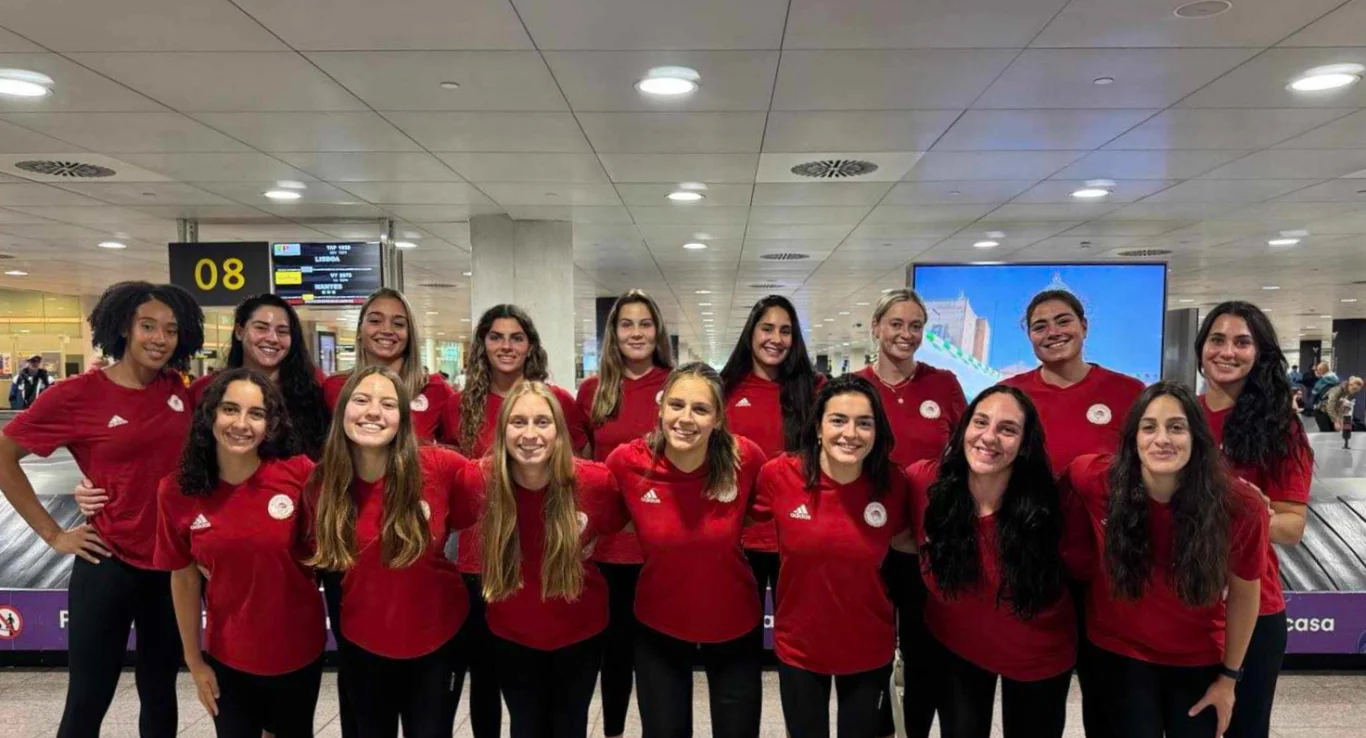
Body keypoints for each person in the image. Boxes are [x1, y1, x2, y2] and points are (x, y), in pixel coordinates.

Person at [0, 281, 204, 738]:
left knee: (160, 691)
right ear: (123, 328)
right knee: (88, 697)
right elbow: (4, 455)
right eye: (147, 326)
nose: (160, 338)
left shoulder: (178, 389)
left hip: (171, 566)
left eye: (171, 330)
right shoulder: (77, 394)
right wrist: (54, 534)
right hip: (107, 562)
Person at [1063, 382, 1266, 738]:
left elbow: (1245, 594)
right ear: (1133, 439)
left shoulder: (1239, 506)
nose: (1161, 439)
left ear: (1197, 437)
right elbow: (1062, 480)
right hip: (1119, 652)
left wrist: (1229, 678)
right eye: (1148, 427)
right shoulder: (1098, 481)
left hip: (1197, 655)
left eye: (1176, 427)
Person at [999, 288, 1143, 738]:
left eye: (1063, 321)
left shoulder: (1128, 393)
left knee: (1111, 706)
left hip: (1110, 572)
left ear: (1084, 326)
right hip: (1035, 571)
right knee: (1033, 709)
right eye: (1039, 326)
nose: (1053, 332)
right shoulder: (1011, 396)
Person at [440, 303, 588, 738]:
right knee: (484, 674)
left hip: (537, 557)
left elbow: (579, 469)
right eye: (496, 337)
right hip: (477, 559)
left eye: (516, 337)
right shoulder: (459, 405)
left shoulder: (557, 402)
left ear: (530, 346)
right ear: (482, 345)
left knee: (532, 684)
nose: (506, 346)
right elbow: (450, 478)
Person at [905, 385, 1086, 738]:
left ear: (1025, 443)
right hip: (956, 647)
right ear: (963, 428)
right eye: (980, 422)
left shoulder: (1055, 505)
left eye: (1007, 429)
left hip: (1037, 657)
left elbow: (1085, 571)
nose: (989, 437)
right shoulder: (925, 483)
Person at [306, 366, 475, 738]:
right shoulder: (322, 484)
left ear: (403, 417)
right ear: (342, 410)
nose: (373, 412)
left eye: (387, 404)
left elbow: (500, 487)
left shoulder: (440, 468)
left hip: (437, 640)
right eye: (361, 400)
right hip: (363, 642)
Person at [155, 369, 325, 738]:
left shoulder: (300, 475)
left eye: (256, 414)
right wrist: (194, 660)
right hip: (229, 654)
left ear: (270, 424)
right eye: (230, 409)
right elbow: (183, 578)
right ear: (210, 414)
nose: (241, 424)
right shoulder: (177, 491)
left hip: (298, 649)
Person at [605, 362, 767, 738]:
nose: (685, 418)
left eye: (701, 409)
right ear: (661, 408)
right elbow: (608, 517)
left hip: (734, 620)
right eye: (676, 405)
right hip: (658, 623)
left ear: (718, 419)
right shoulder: (627, 463)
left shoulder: (745, 459)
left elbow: (756, 513)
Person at [751, 374, 908, 738]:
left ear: (877, 432)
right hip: (799, 646)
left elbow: (906, 548)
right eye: (838, 420)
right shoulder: (779, 475)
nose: (850, 433)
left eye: (864, 423)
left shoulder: (893, 484)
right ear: (819, 428)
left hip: (869, 646)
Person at [469, 381, 624, 738]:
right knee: (525, 726)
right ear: (502, 430)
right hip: (512, 630)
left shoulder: (594, 482)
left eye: (542, 422)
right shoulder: (480, 481)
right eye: (518, 422)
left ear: (559, 431)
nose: (530, 434)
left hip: (579, 629)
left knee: (571, 725)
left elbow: (618, 522)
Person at [852, 288, 967, 738]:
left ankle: (913, 729)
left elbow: (965, 456)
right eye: (896, 324)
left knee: (925, 653)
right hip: (868, 542)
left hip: (927, 544)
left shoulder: (943, 384)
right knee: (868, 646)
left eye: (916, 326)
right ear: (876, 327)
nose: (906, 334)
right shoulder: (855, 387)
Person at [1195, 302, 1314, 738]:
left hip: (1252, 609)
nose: (1227, 351)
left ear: (1259, 353)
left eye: (1242, 342)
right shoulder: (1180, 418)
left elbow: (1292, 527)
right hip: (1184, 607)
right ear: (1201, 347)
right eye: (1217, 339)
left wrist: (1252, 515)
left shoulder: (1281, 428)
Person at [575, 289, 674, 738]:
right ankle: (613, 730)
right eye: (626, 324)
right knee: (612, 653)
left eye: (645, 324)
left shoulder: (675, 385)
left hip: (662, 543)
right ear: (613, 334)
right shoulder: (593, 391)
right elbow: (581, 465)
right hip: (607, 545)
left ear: (658, 332)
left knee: (657, 654)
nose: (636, 333)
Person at [720, 295, 822, 648]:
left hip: (796, 535)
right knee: (737, 639)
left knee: (800, 638)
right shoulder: (725, 388)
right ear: (751, 332)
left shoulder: (814, 390)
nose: (776, 339)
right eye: (767, 328)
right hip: (737, 534)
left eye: (785, 331)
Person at [323, 288, 452, 443]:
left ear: (410, 334)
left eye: (398, 324)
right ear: (359, 330)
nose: (387, 330)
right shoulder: (334, 387)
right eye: (375, 321)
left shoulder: (436, 390)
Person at [1321, 376, 1363, 449]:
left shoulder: (1346, 392)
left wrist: (1340, 419)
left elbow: (1338, 407)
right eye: (1354, 389)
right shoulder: (1337, 390)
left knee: (1333, 437)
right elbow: (1330, 406)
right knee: (1326, 436)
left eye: (1356, 391)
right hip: (1322, 412)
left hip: (1331, 413)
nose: (1354, 392)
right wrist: (1336, 421)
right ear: (1350, 385)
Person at [1309, 361, 1340, 431]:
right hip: (1333, 408)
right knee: (1332, 431)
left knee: (1325, 432)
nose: (1316, 371)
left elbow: (1315, 393)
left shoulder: (1322, 381)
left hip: (1321, 408)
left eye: (1318, 370)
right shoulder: (1335, 379)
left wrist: (1313, 401)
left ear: (1321, 370)